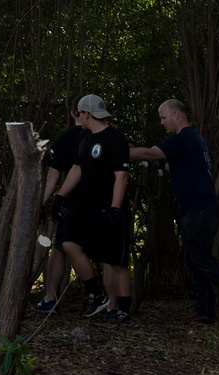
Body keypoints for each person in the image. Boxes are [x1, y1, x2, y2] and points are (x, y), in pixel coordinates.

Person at [130, 99, 219, 324]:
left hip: (200, 210)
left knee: (201, 258)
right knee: (193, 260)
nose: (162, 122)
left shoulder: (183, 138)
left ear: (176, 116)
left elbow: (149, 153)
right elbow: (178, 165)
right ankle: (205, 311)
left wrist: (120, 152)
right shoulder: (193, 139)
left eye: (164, 118)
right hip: (197, 209)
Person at [53, 94, 132, 322]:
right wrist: (60, 196)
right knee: (69, 244)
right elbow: (77, 168)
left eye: (79, 113)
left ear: (86, 114)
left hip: (109, 209)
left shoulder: (115, 138)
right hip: (86, 207)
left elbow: (122, 176)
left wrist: (115, 209)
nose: (78, 117)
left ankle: (123, 309)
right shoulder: (85, 138)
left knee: (116, 262)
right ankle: (95, 293)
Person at [34, 99, 87, 313]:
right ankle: (110, 303)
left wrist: (43, 203)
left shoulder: (92, 137)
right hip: (90, 202)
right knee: (61, 247)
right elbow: (53, 175)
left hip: (78, 203)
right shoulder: (70, 139)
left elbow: (53, 177)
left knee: (61, 247)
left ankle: (96, 295)